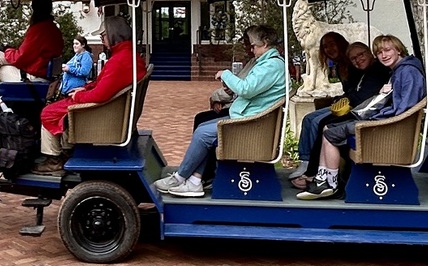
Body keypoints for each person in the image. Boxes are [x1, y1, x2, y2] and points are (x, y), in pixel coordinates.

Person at [154, 24, 287, 197]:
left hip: (252, 126)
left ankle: (180, 177)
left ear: (266, 43)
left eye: (254, 45)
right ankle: (195, 181)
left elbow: (246, 88)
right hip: (250, 119)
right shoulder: (266, 63)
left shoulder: (271, 66)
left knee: (203, 134)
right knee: (203, 128)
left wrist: (225, 74)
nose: (251, 49)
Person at [297, 34, 426, 200]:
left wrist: (377, 116)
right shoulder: (399, 71)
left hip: (390, 129)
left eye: (387, 50)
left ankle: (330, 183)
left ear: (399, 50)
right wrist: (383, 95)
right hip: (384, 123)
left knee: (330, 132)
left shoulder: (408, 72)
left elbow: (403, 110)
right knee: (329, 128)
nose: (384, 55)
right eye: (380, 53)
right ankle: (324, 179)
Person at [33, 16, 146, 173]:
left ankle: (54, 159)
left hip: (102, 112)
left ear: (113, 34)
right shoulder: (129, 55)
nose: (101, 38)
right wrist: (85, 88)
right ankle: (67, 150)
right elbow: (105, 83)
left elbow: (100, 95)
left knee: (48, 112)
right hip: (111, 109)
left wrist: (77, 96)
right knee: (59, 107)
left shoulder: (119, 60)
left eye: (103, 35)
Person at [289, 41, 390, 189]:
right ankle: (310, 165)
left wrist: (344, 99)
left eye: (361, 55)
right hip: (355, 108)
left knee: (324, 124)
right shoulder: (362, 70)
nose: (358, 59)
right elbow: (352, 91)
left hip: (364, 114)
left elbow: (360, 97)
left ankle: (316, 173)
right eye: (354, 58)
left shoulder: (377, 70)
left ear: (369, 53)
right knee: (313, 120)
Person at [193, 29, 256, 129]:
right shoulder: (252, 62)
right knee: (200, 119)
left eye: (249, 45)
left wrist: (216, 97)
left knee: (201, 127)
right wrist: (216, 99)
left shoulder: (262, 66)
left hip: (241, 112)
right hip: (237, 107)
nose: (248, 49)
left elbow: (236, 90)